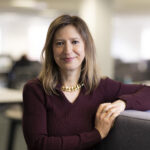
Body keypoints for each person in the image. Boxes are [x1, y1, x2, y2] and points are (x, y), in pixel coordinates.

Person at [22, 15, 150, 150]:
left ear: (86, 46)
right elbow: (39, 145)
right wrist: (97, 134)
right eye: (60, 43)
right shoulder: (35, 90)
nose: (68, 50)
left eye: (75, 42)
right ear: (51, 50)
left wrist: (122, 103)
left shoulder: (101, 86)